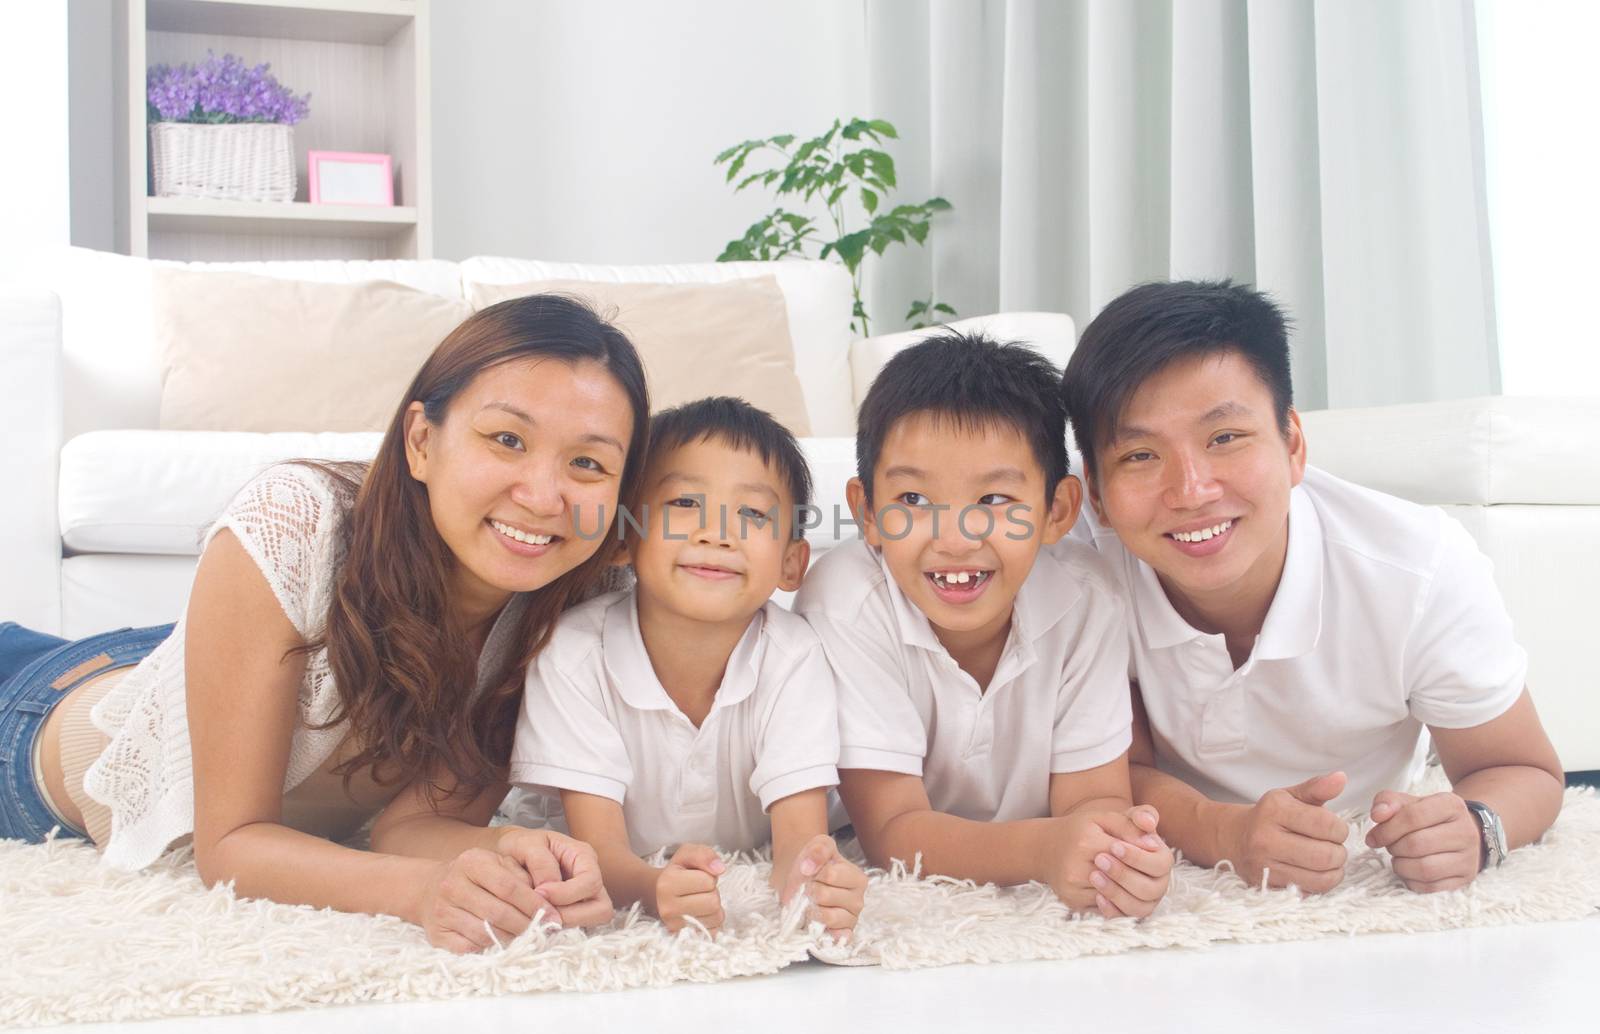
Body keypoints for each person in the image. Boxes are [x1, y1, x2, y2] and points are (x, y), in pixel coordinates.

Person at [0, 294, 651, 952]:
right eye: (507, 439)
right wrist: (418, 893)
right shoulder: (295, 522)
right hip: (39, 721)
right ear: (422, 441)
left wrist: (512, 849)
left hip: (181, 661)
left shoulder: (573, 603)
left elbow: (412, 829)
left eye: (588, 464)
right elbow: (229, 848)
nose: (545, 496)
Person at [1059, 279, 1565, 894]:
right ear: (1096, 495)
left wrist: (1479, 827)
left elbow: (1522, 767)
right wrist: (1227, 833)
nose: (1191, 491)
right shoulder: (1075, 567)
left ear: (1293, 444)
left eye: (1225, 438)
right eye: (1139, 455)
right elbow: (1112, 774)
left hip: (1357, 838)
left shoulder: (1418, 568)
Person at [794, 331, 1174, 920]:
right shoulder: (846, 601)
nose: (955, 538)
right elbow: (891, 830)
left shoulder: (1087, 599)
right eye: (914, 499)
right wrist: (1045, 850)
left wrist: (1115, 856)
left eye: (996, 499)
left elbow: (1095, 797)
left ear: (1057, 511)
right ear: (867, 512)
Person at [511, 397, 868, 940]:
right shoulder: (574, 652)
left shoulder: (795, 655)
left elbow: (800, 841)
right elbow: (599, 853)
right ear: (623, 538)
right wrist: (653, 890)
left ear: (792, 563)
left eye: (752, 513)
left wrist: (816, 888)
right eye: (683, 503)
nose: (717, 533)